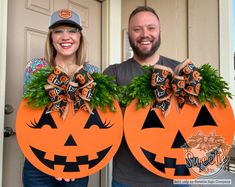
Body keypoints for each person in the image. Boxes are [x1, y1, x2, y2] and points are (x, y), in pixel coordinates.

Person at [103, 6, 188, 187]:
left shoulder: (180, 71)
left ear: (159, 32)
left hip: (176, 176)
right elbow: (104, 121)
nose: (144, 34)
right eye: (137, 29)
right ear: (129, 35)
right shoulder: (114, 73)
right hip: (127, 178)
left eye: (150, 28)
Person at [23, 9, 100, 187]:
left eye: (72, 31)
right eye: (58, 31)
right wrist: (52, 160)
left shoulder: (93, 72)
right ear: (51, 37)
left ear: (80, 37)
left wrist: (69, 161)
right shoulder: (35, 68)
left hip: (77, 160)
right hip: (38, 160)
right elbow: (29, 116)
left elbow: (93, 119)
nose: (65, 36)